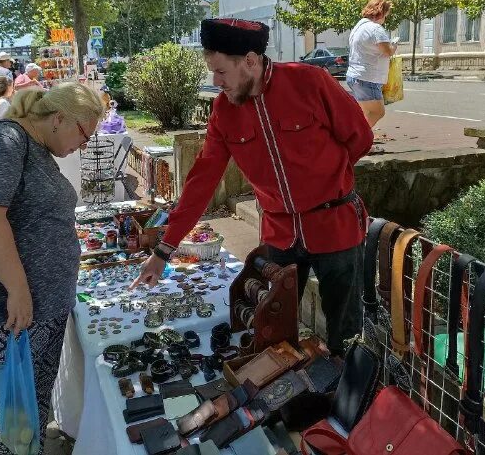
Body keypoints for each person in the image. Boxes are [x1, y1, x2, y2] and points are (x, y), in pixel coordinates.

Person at [131, 18, 373, 355]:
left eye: (221, 72)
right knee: (272, 329)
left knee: (344, 334)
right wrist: (163, 251)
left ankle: (345, 401)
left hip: (335, 227)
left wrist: (329, 179)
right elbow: (202, 181)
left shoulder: (310, 81)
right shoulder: (223, 110)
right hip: (279, 235)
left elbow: (360, 137)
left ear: (250, 60)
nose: (216, 83)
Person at [0, 83, 104, 455]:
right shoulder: (5, 140)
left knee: (25, 421)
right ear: (59, 118)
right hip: (0, 317)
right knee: (7, 424)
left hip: (29, 316)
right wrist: (19, 289)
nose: (83, 145)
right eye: (84, 134)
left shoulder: (33, 146)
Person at [346, 0, 398, 130]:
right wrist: (394, 46)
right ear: (380, 13)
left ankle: (363, 141)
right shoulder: (376, 29)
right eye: (385, 16)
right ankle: (357, 141)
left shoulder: (358, 27)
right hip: (368, 77)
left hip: (355, 76)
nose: (385, 19)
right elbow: (387, 51)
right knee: (377, 112)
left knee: (366, 113)